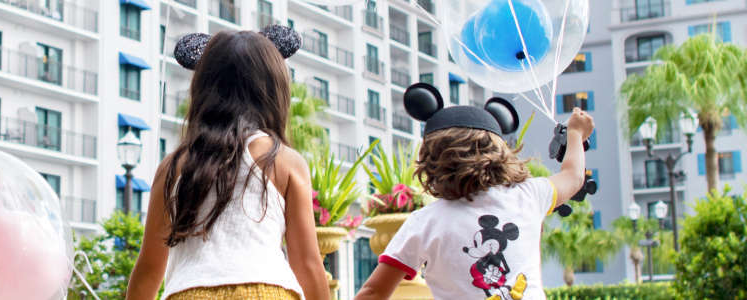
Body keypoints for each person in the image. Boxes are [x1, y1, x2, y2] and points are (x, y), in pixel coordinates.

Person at [125, 28, 332, 300]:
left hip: (189, 292)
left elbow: (150, 269)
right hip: (268, 291)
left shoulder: (174, 166)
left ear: (203, 90)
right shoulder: (284, 160)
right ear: (274, 90)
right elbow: (306, 263)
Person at [354, 89, 594, 300]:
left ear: (431, 160)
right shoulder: (529, 195)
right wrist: (574, 133)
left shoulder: (424, 222)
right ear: (501, 152)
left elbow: (374, 293)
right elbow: (574, 176)